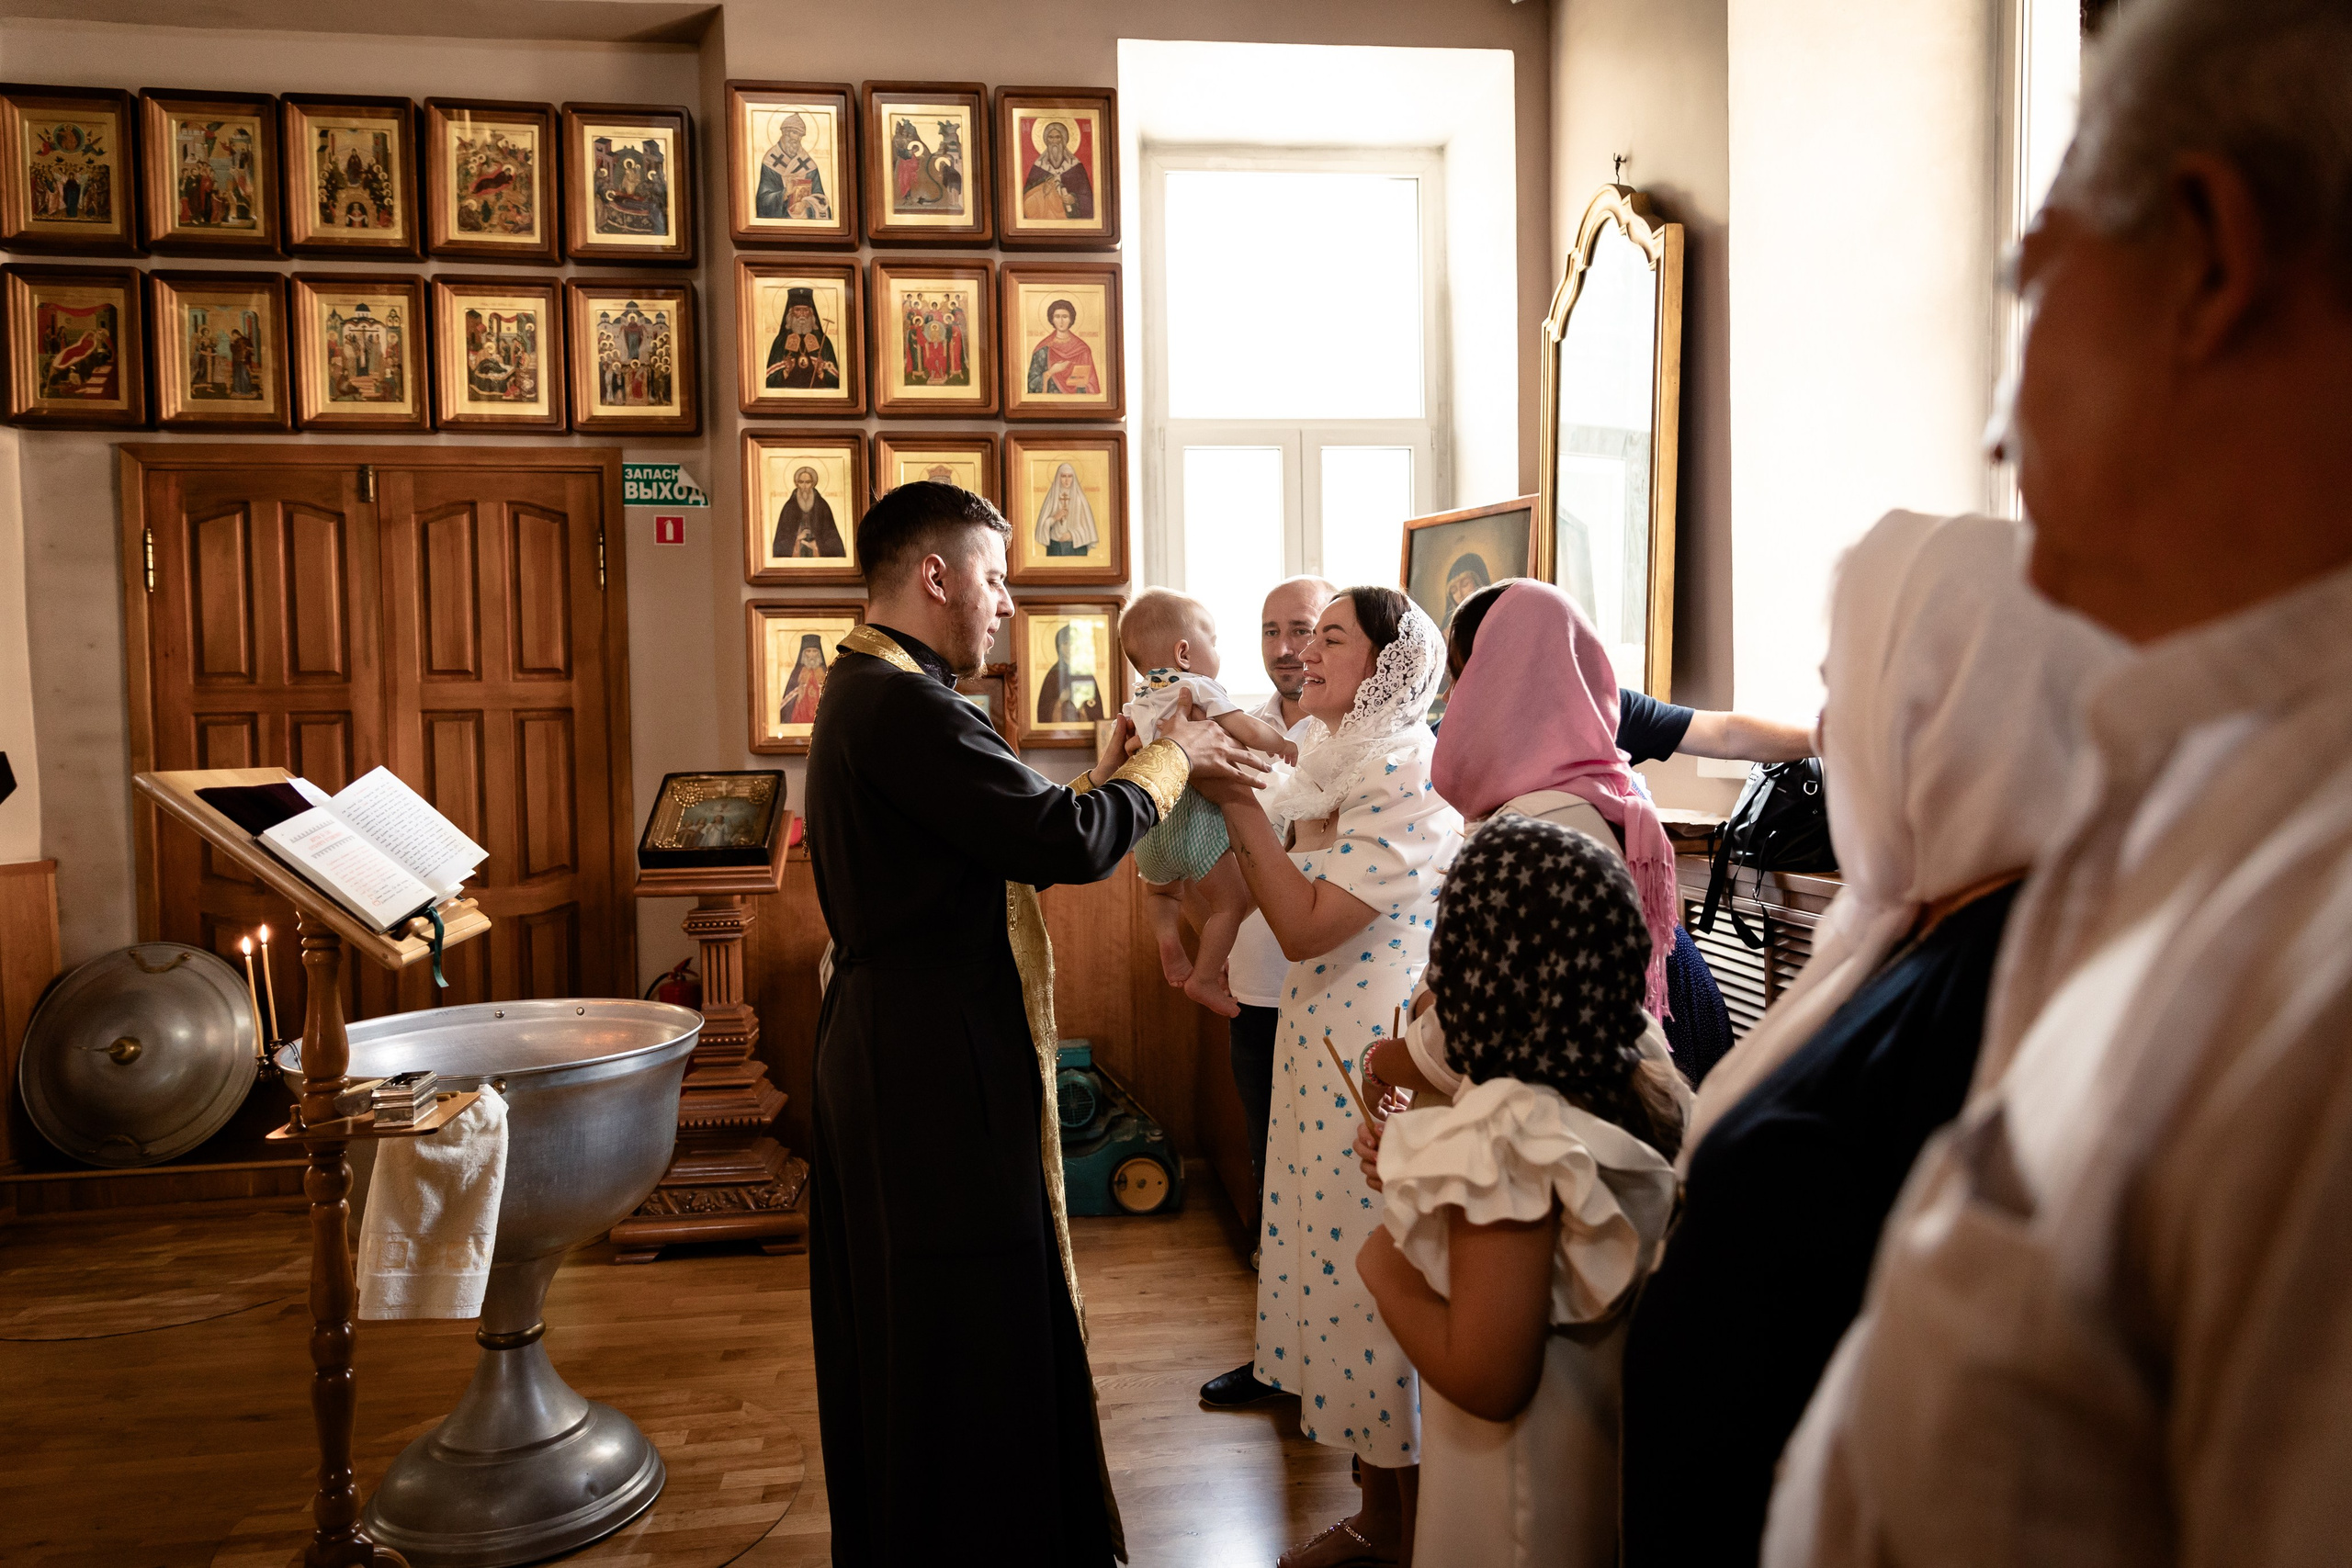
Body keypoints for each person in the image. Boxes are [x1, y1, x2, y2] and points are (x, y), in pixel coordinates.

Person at [1764, 4, 2352, 1563]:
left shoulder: (2320, 939)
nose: (1993, 420)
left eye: (2036, 276)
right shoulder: (2188, 795)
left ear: (2209, 255)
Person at [1612, 511, 2118, 1568]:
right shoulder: (1899, 926)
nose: (1827, 733)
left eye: (1851, 689)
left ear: (1954, 706)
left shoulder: (2017, 983)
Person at [801, 481, 1263, 1566]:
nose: (1004, 604)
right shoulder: (900, 700)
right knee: (965, 1303)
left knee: (939, 1306)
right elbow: (1062, 844)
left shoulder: (883, 686)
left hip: (902, 1034)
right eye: (995, 578)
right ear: (935, 576)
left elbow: (1015, 824)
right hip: (927, 1054)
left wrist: (1110, 776)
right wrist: (1172, 760)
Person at [1193, 586, 1463, 1568]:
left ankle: (1412, 1533)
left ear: (1388, 664)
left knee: (1372, 1286)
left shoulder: (1407, 767)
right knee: (1330, 1278)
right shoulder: (1326, 758)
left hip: (1373, 1045)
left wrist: (1230, 801)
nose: (1304, 651)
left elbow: (1306, 926)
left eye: (1330, 637)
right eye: (1305, 637)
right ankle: (1376, 1518)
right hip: (1317, 1037)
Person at [1357, 817, 1689, 1568]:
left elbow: (1488, 1374)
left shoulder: (1514, 1134)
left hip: (1513, 1503)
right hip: (1592, 1470)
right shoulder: (1630, 1065)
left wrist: (1383, 1266)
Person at [1196, 573, 1337, 1412]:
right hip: (1258, 984)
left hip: (1337, 986)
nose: (1287, 648)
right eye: (1271, 630)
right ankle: (1277, 1355)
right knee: (1268, 1166)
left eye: (1304, 630)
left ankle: (1338, 1352)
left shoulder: (1356, 729)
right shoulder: (1235, 724)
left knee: (1332, 1176)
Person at [1118, 588, 1299, 1017]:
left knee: (1163, 893)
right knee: (1230, 903)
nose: (1217, 650)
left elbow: (1131, 747)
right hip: (1192, 822)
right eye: (1213, 641)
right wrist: (1282, 744)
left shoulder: (1140, 697)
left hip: (1150, 824)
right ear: (1184, 652)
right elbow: (1245, 730)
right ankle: (1203, 977)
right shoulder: (1197, 687)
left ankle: (1168, 940)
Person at [756, 111, 831, 221]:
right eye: (795, 133)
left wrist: (806, 204)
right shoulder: (770, 162)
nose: (797, 139)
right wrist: (784, 194)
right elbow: (763, 200)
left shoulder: (808, 165)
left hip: (805, 223)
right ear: (785, 133)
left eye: (800, 135)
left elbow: (821, 199)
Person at [765, 286, 841, 391]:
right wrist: (785, 371)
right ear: (790, 313)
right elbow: (769, 382)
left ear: (811, 313)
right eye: (797, 310)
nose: (802, 314)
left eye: (805, 310)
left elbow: (836, 382)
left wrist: (821, 373)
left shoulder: (823, 341)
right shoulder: (781, 341)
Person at [1022, 117, 1093, 220]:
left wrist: (1074, 199)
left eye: (1058, 137)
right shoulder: (1038, 167)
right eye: (1050, 137)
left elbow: (1089, 199)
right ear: (1046, 140)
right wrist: (1042, 192)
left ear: (1064, 140)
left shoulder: (1076, 167)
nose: (1054, 141)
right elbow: (1025, 200)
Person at [1027, 299, 1100, 396]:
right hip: (1049, 405)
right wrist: (1051, 372)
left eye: (1065, 317)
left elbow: (1092, 386)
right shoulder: (1043, 349)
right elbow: (1031, 385)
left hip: (1077, 405)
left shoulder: (1082, 349)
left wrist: (1082, 384)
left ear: (1071, 319)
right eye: (1057, 317)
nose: (1061, 321)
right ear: (1052, 319)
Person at [1035, 623, 1104, 724]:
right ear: (1058, 646)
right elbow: (1044, 710)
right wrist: (1060, 700)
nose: (1069, 648)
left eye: (1072, 643)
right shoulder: (1052, 675)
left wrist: (1083, 702)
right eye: (1065, 643)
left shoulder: (1085, 673)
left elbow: (1096, 708)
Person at [773, 467, 842, 559]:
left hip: (817, 552)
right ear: (797, 483)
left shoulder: (822, 506)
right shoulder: (789, 507)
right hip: (795, 552)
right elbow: (780, 541)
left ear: (813, 483)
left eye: (808, 482)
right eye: (801, 482)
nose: (805, 486)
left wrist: (818, 544)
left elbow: (832, 536)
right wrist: (797, 537)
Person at [1035, 462, 1099, 558]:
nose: (1067, 480)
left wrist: (1072, 534)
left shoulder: (1080, 500)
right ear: (1058, 478)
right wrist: (1054, 518)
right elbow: (1042, 526)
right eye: (1063, 476)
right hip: (1055, 546)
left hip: (1076, 547)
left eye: (1070, 476)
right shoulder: (1052, 498)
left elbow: (1088, 529)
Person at [777, 633, 829, 727]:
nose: (811, 655)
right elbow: (788, 698)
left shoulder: (826, 672)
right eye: (808, 651)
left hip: (821, 715)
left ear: (819, 653)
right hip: (801, 712)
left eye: (815, 651)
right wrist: (799, 690)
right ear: (803, 653)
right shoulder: (797, 673)